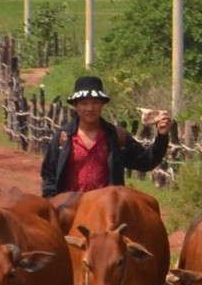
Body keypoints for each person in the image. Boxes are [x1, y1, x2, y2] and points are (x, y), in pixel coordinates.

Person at [40, 75, 172, 199]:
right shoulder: (63, 138)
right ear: (75, 105)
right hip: (70, 211)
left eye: (95, 103)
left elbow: (146, 161)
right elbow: (49, 174)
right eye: (84, 103)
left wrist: (162, 136)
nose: (90, 108)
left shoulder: (117, 137)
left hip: (106, 213)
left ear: (102, 104)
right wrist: (53, 202)